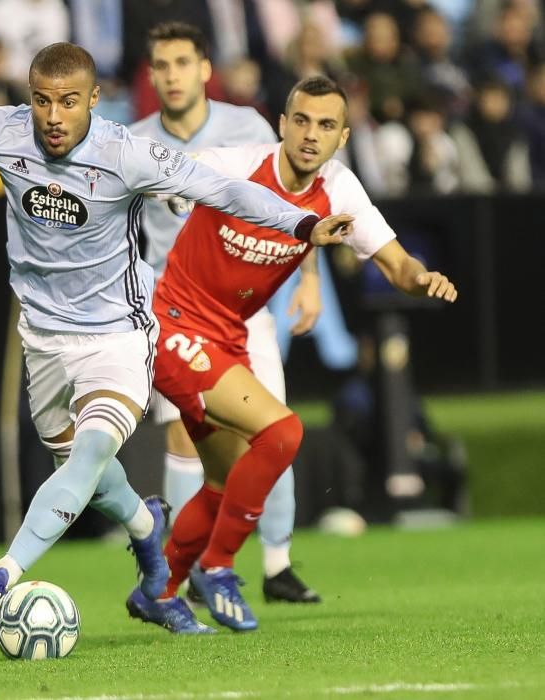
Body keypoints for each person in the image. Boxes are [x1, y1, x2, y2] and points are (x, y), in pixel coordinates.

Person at [0, 42, 351, 618]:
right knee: (90, 478)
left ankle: (3, 574)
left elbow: (223, 189)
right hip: (44, 339)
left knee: (92, 452)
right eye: (43, 101)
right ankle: (149, 530)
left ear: (95, 99)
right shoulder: (2, 132)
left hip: (117, 336)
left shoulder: (127, 154)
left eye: (69, 102)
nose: (53, 117)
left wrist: (302, 223)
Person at [126, 76, 458, 634]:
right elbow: (172, 173)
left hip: (229, 336)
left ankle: (158, 591)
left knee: (221, 480)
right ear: (282, 124)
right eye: (301, 121)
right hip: (175, 324)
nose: (311, 135)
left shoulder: (341, 190)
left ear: (343, 136)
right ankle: (219, 566)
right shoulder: (234, 165)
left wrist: (422, 279)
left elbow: (397, 264)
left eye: (326, 125)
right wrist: (165, 185)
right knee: (282, 433)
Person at [129, 22, 322, 614]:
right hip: (175, 313)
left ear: (206, 69)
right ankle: (187, 570)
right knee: (188, 432)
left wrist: (309, 279)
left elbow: (294, 201)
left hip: (246, 307)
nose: (172, 75)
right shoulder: (132, 141)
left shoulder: (247, 127)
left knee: (273, 429)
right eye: (161, 65)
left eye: (183, 62)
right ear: (151, 74)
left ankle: (277, 564)